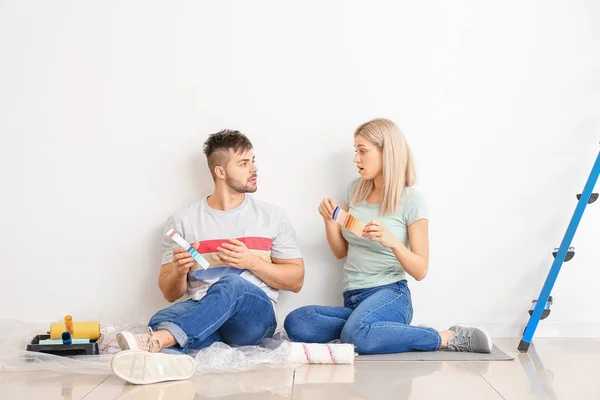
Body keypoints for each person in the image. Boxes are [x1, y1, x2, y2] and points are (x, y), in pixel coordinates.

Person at [283, 118, 492, 354]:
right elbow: (341, 252)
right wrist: (330, 223)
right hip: (353, 298)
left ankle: (444, 337)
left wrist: (392, 241)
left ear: (387, 153)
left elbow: (420, 270)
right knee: (297, 322)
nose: (356, 159)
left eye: (363, 151)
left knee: (356, 335)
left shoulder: (412, 201)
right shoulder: (355, 190)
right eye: (355, 151)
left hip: (390, 294)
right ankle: (382, 331)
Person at [117, 129, 305, 354]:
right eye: (244, 163)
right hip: (203, 308)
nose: (254, 169)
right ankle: (172, 354)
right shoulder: (182, 222)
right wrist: (179, 271)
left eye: (253, 161)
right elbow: (170, 294)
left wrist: (252, 262)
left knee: (232, 284)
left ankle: (163, 341)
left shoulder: (272, 216)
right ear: (221, 172)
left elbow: (296, 280)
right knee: (162, 318)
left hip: (253, 319)